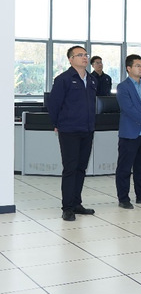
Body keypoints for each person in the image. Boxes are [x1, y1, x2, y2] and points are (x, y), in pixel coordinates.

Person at [47, 45, 97, 221]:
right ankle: (67, 207)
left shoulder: (92, 80)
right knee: (70, 169)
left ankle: (76, 204)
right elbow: (53, 104)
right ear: (70, 59)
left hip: (87, 130)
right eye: (80, 55)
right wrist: (56, 123)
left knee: (81, 168)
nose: (84, 57)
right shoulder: (63, 79)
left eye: (85, 54)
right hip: (69, 130)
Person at [115, 54, 141, 209]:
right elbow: (128, 109)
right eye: (138, 66)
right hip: (130, 133)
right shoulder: (123, 87)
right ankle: (123, 198)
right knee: (125, 168)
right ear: (129, 68)